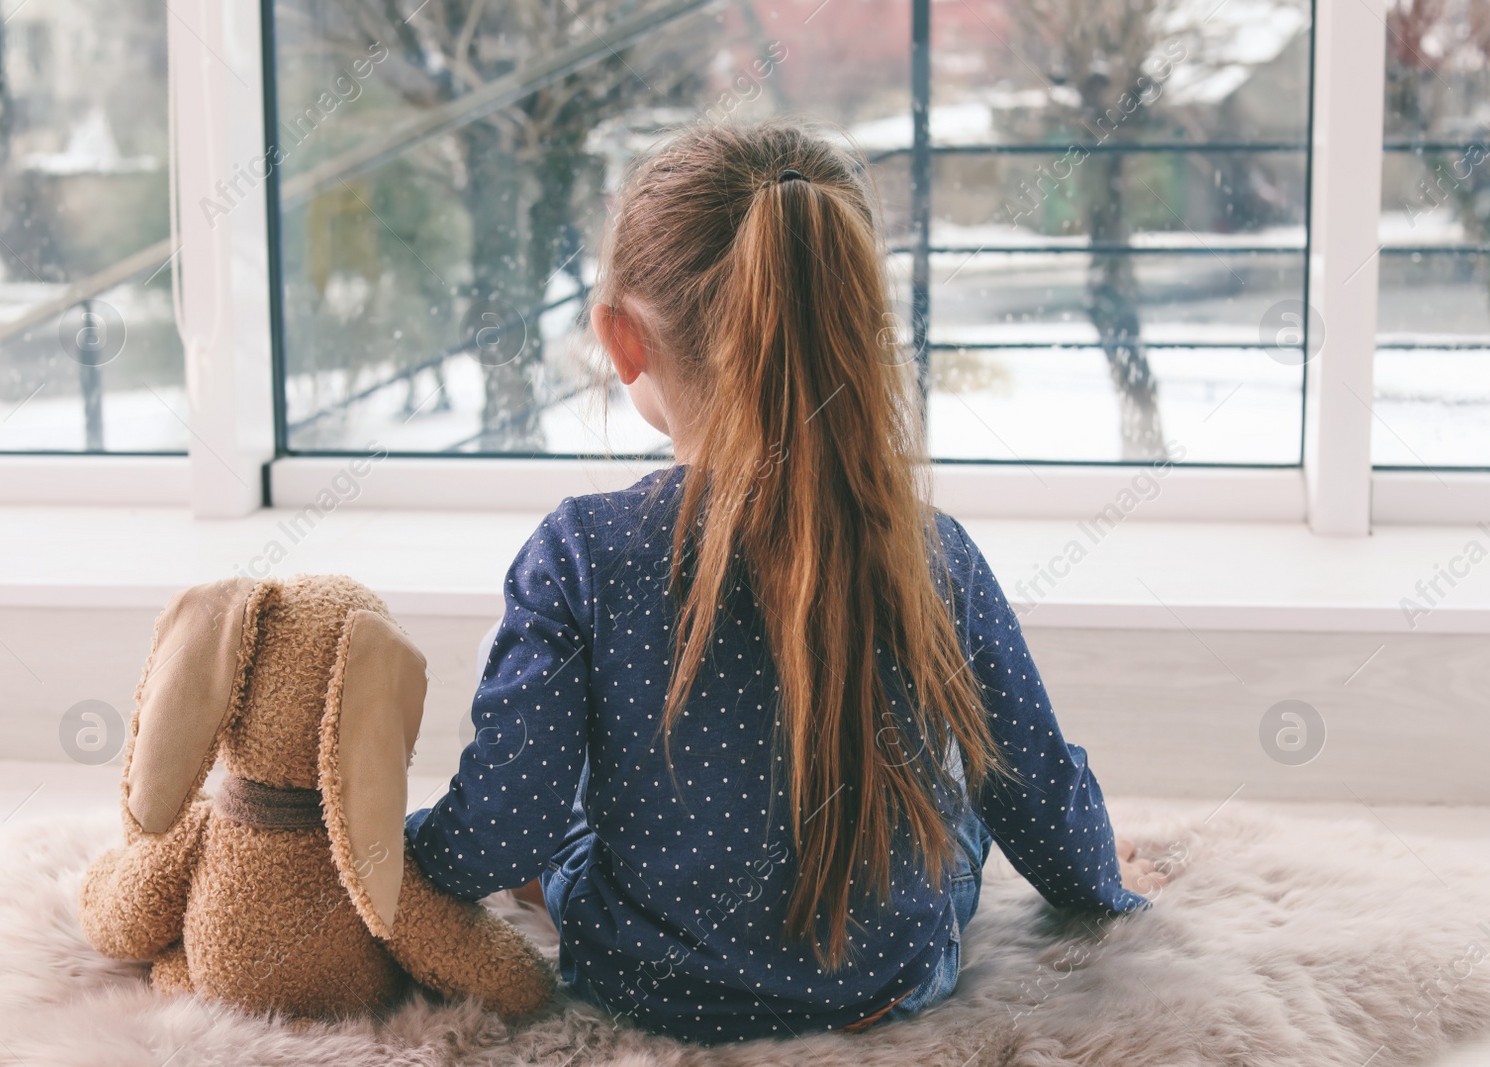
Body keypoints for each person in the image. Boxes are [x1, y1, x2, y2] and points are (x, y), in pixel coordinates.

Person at [406, 121, 1166, 1044]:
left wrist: (390, 847)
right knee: (959, 808)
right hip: (890, 980)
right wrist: (1108, 889)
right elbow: (1037, 793)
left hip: (648, 983)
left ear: (622, 338)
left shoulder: (578, 550)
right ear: (849, 320)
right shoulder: (934, 551)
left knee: (564, 805)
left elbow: (496, 835)